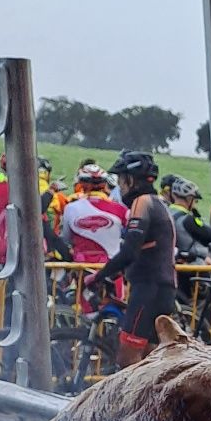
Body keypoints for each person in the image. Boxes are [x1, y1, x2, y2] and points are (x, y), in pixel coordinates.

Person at [96, 152, 177, 363]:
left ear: (131, 180)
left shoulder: (142, 203)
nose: (119, 187)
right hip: (162, 287)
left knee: (127, 357)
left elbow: (129, 251)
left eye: (121, 181)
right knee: (150, 360)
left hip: (149, 289)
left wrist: (98, 275)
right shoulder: (158, 203)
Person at [60, 174, 130, 266]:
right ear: (105, 186)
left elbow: (66, 238)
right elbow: (132, 235)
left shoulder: (70, 207)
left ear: (81, 185)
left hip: (81, 266)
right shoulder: (120, 209)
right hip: (112, 268)